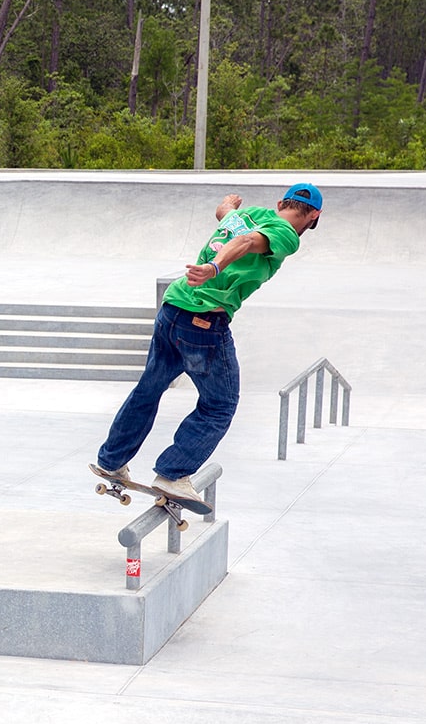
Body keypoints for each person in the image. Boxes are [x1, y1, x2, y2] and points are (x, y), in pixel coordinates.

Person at [92, 184, 324, 504]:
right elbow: (245, 242)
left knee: (149, 388)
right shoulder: (286, 234)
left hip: (172, 310)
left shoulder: (247, 214)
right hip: (203, 323)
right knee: (220, 405)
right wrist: (215, 267)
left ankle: (112, 461)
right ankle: (173, 474)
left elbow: (225, 215)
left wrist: (226, 205)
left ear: (280, 202)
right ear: (313, 215)